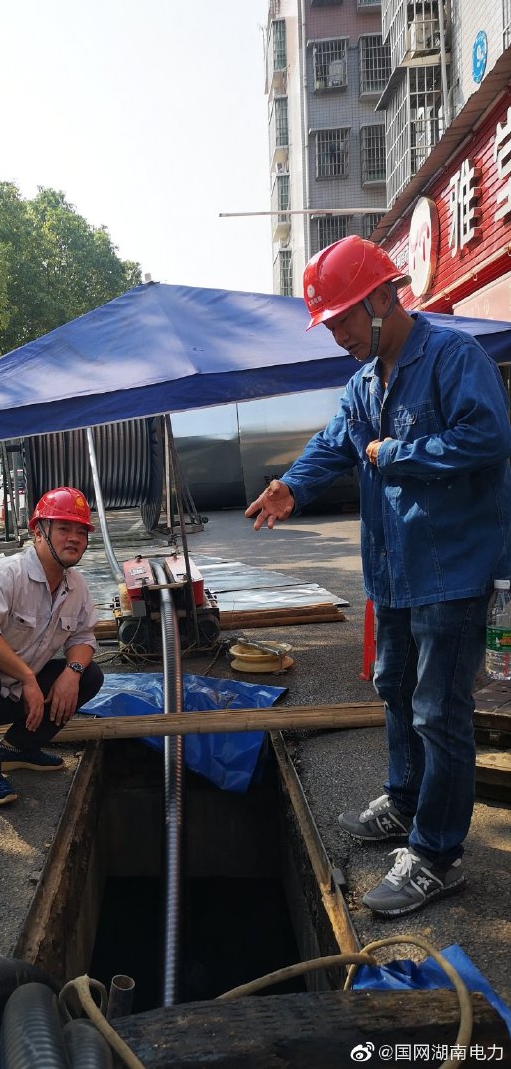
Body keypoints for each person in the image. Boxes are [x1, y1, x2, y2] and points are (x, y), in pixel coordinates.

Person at [246, 234, 511, 918]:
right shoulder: (363, 381)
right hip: (393, 570)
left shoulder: (453, 357)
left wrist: (396, 453)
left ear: (381, 299)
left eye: (340, 320)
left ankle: (437, 854)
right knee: (393, 686)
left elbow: (488, 438)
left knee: (439, 711)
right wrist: (292, 487)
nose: (336, 335)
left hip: (452, 569)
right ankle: (405, 799)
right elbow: (336, 442)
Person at [0, 486, 104, 806]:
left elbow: (84, 638)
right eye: (64, 529)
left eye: (81, 532)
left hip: (13, 693)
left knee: (89, 674)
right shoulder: (5, 574)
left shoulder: (76, 586)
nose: (74, 538)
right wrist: (28, 678)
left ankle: (16, 748)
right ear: (39, 532)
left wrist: (72, 673)